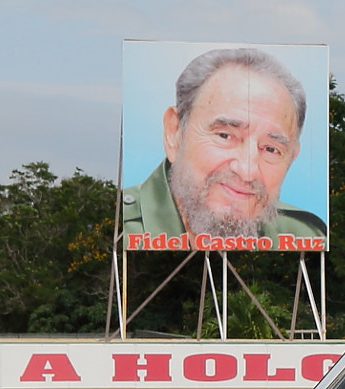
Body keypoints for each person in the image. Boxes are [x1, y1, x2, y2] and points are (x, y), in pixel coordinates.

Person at [121, 48, 328, 246]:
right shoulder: (117, 226)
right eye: (225, 135)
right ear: (174, 132)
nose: (247, 171)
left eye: (271, 149)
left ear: (292, 158)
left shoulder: (305, 235)